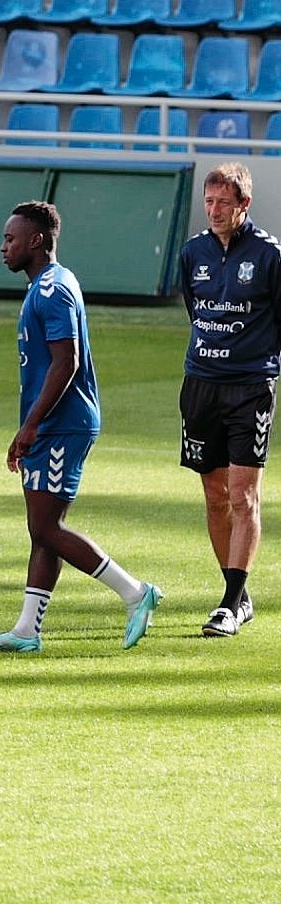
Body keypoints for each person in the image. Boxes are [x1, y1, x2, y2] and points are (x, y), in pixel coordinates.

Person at [0, 202, 162, 653]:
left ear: (36, 240)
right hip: (53, 424)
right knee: (43, 528)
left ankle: (136, 592)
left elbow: (66, 361)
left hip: (63, 424)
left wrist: (30, 426)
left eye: (11, 238)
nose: (3, 247)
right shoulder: (49, 284)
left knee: (47, 527)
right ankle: (26, 630)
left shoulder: (52, 290)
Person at [177, 163, 281, 637]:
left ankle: (227, 603)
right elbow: (194, 309)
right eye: (209, 202)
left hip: (250, 388)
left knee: (244, 496)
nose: (215, 211)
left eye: (224, 203)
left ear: (244, 205)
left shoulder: (269, 256)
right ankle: (238, 595)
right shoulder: (192, 251)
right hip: (201, 386)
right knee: (215, 495)